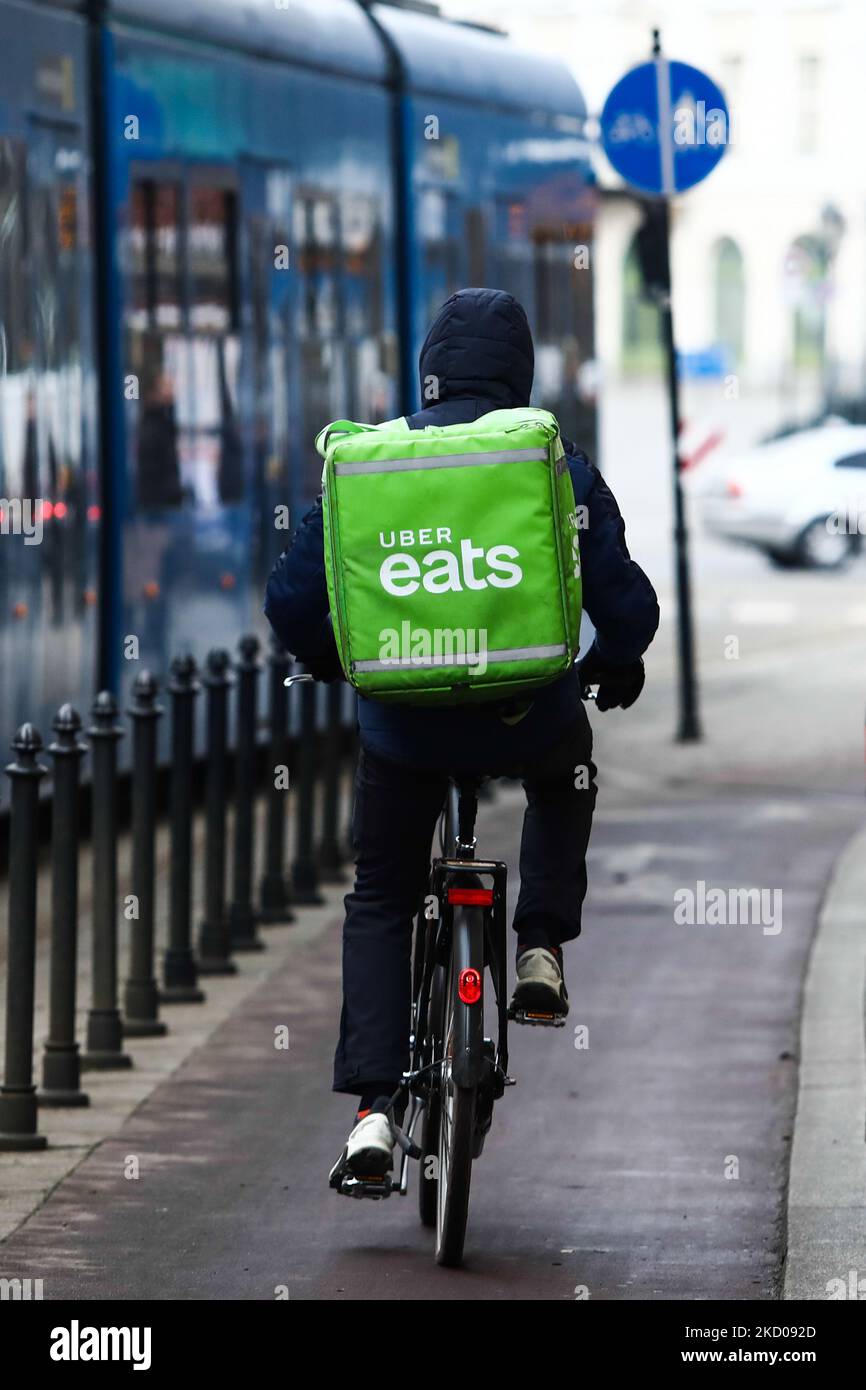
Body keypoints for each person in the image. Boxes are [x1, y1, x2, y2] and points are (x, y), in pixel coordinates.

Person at [265, 288, 659, 1182]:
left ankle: (372, 1111)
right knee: (567, 780)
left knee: (380, 895)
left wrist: (344, 659)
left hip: (405, 736)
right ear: (520, 375)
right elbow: (626, 603)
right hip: (530, 721)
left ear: (427, 372)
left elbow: (290, 601)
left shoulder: (368, 467)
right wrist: (615, 664)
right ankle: (539, 945)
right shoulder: (553, 463)